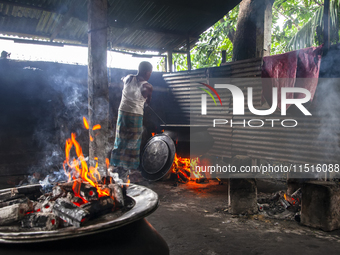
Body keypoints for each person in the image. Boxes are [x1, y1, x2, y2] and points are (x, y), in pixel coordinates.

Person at [110, 61, 153, 182]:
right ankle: (130, 169)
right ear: (147, 72)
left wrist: (123, 79)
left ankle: (116, 166)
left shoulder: (128, 78)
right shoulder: (148, 87)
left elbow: (122, 78)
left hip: (122, 112)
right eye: (150, 73)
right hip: (136, 115)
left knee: (120, 139)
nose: (150, 75)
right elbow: (148, 103)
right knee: (133, 142)